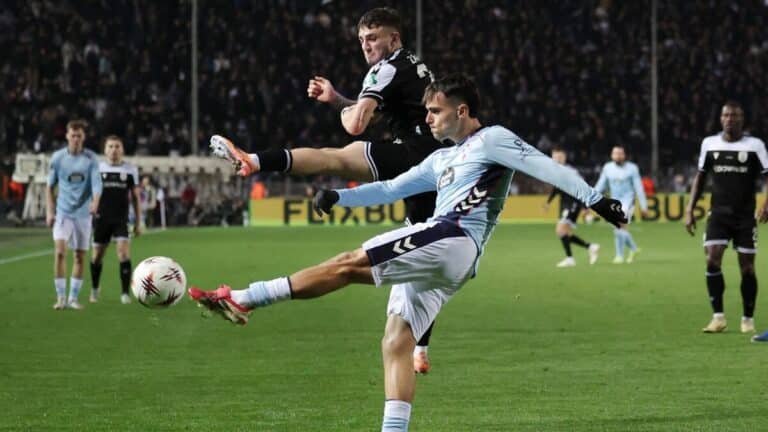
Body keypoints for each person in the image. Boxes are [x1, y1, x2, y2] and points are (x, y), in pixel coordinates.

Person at [189, 74, 627, 431]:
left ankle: (245, 298)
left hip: (452, 236)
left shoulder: (492, 139)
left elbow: (544, 166)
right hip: (451, 259)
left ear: (461, 111)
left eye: (435, 111)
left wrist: (597, 200)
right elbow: (391, 188)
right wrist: (340, 198)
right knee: (396, 341)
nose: (428, 118)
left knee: (347, 264)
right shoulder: (442, 160)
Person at [209, 7, 446, 373]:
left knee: (333, 158)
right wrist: (337, 99)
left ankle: (254, 160)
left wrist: (344, 111)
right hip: (437, 163)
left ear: (394, 38)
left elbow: (356, 124)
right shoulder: (412, 65)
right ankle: (421, 349)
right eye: (361, 40)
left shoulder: (384, 69)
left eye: (373, 38)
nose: (366, 45)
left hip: (414, 155)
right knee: (422, 250)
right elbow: (374, 113)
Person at [684, 101, 768, 335]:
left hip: (745, 216)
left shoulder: (755, 145)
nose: (730, 119)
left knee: (747, 267)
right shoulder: (709, 144)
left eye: (734, 115)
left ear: (742, 119)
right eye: (726, 115)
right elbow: (700, 178)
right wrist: (690, 209)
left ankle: (747, 319)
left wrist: (766, 204)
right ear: (721, 118)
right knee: (712, 260)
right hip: (718, 214)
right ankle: (718, 317)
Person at [46, 120, 102, 310]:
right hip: (63, 213)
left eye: (79, 135)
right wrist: (50, 211)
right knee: (60, 252)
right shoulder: (58, 158)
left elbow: (97, 185)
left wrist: (95, 203)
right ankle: (61, 297)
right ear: (67, 136)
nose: (76, 138)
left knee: (79, 256)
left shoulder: (91, 158)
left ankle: (73, 299)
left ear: (83, 137)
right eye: (73, 135)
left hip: (83, 214)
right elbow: (49, 186)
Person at [89, 135, 141, 304]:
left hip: (121, 219)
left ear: (122, 149)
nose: (114, 150)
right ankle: (95, 289)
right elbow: (90, 193)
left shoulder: (130, 170)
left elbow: (136, 198)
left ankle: (125, 293)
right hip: (101, 219)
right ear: (105, 150)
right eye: (110, 146)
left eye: (117, 146)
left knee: (123, 254)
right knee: (97, 256)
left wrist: (138, 222)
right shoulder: (98, 169)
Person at [542, 147, 600, 267]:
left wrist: (585, 207)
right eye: (555, 157)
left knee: (560, 230)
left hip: (573, 204)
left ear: (564, 157)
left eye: (559, 157)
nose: (557, 159)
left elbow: (582, 187)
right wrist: (548, 202)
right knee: (565, 233)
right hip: (564, 204)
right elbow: (556, 188)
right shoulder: (555, 171)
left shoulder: (571, 172)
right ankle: (590, 247)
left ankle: (571, 258)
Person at [594, 145, 648, 264]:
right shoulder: (608, 168)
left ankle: (619, 256)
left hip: (628, 201)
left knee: (618, 226)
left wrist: (644, 206)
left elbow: (639, 188)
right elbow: (600, 185)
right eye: (616, 153)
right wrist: (589, 200)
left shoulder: (632, 168)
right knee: (619, 228)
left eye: (620, 153)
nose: (618, 156)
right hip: (614, 202)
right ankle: (633, 249)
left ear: (624, 155)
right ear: (612, 155)